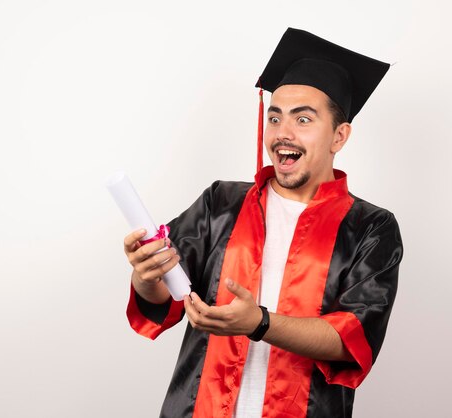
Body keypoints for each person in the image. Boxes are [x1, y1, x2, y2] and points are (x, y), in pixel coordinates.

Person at [122, 28, 403, 418]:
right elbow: (168, 299)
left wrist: (259, 323)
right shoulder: (221, 203)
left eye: (303, 119)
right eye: (275, 117)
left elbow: (351, 338)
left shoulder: (370, 228)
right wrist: (146, 273)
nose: (283, 133)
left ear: (339, 136)